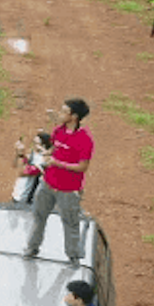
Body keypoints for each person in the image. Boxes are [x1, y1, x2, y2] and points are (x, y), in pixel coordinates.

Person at [24, 99, 93, 265]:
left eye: (64, 111)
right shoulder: (57, 131)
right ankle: (32, 248)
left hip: (68, 190)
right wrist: (45, 153)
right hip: (47, 184)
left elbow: (82, 167)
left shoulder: (84, 139)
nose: (59, 114)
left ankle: (73, 256)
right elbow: (53, 150)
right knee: (38, 217)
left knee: (70, 223)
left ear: (74, 117)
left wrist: (58, 164)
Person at [10, 131, 52, 205]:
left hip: (25, 197)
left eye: (37, 144)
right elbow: (15, 165)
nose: (34, 146)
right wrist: (18, 154)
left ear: (43, 145)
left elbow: (28, 171)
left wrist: (43, 151)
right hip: (17, 194)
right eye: (34, 143)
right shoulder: (32, 155)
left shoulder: (44, 159)